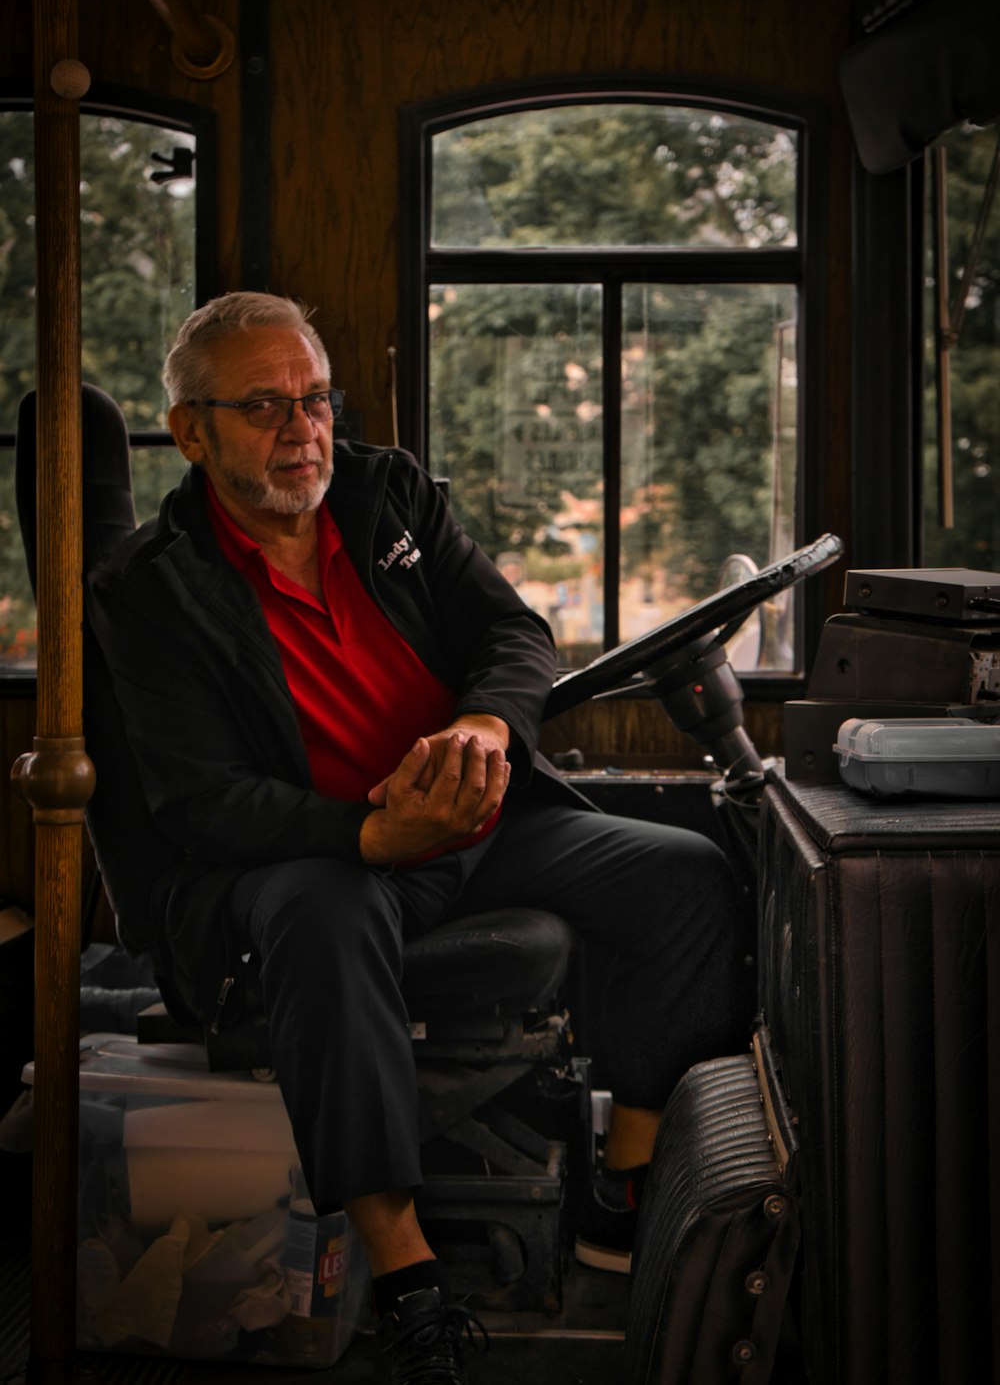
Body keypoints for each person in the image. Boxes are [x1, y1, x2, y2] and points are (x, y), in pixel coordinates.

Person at [86, 292, 749, 1385]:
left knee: (682, 874)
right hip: (311, 856)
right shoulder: (148, 590)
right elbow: (205, 804)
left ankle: (617, 1192)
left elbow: (510, 630)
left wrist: (486, 723)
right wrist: (372, 832)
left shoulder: (385, 490)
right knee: (319, 912)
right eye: (265, 406)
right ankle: (405, 1274)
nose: (303, 429)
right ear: (191, 429)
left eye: (314, 399)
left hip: (477, 825)